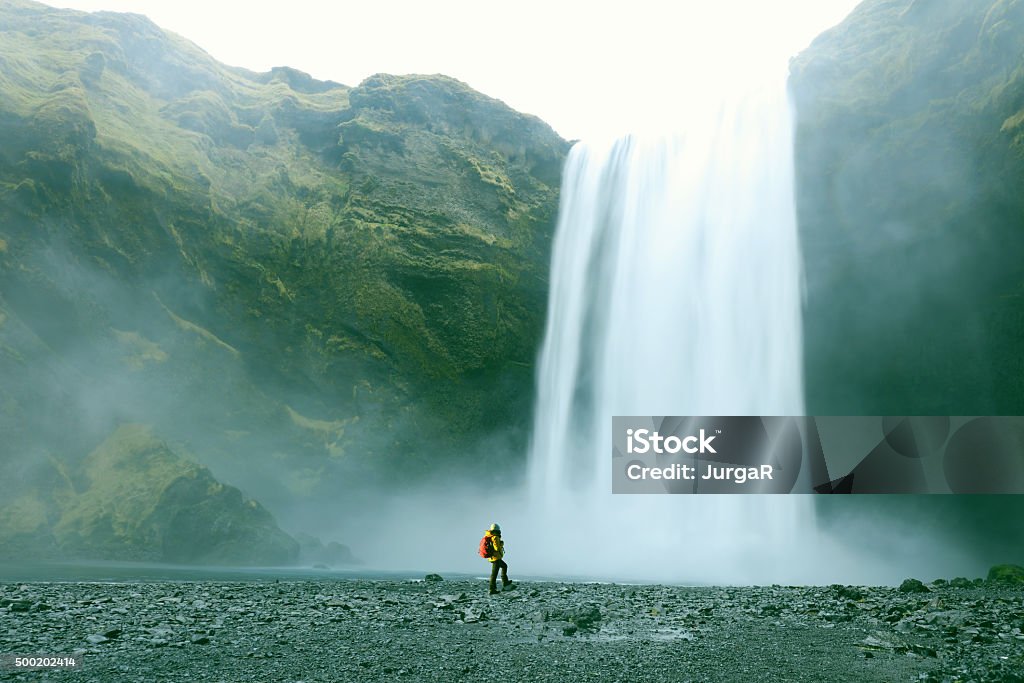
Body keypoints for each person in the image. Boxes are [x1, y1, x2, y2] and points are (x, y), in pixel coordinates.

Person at [481, 523, 513, 594]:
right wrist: (501, 544)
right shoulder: (495, 537)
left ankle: (504, 583)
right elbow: (496, 548)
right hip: (496, 558)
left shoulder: (490, 536)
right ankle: (495, 588)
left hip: (493, 558)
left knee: (502, 568)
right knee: (495, 573)